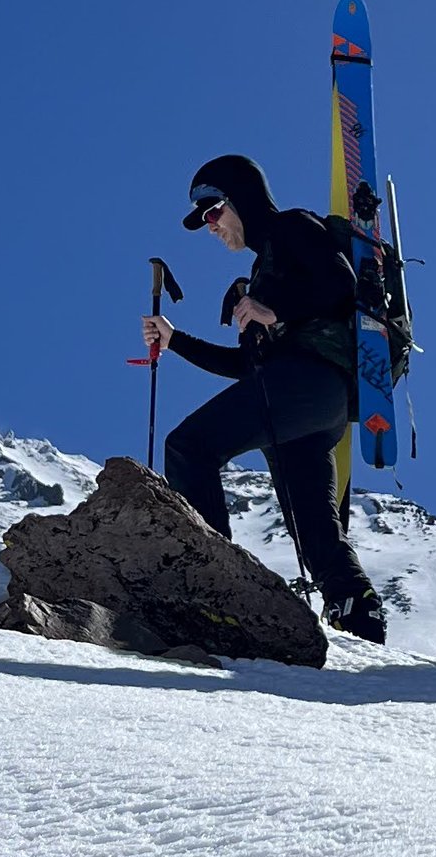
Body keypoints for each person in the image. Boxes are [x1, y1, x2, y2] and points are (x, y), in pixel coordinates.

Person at [146, 153, 387, 643]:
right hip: (313, 408)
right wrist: (175, 341)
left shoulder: (291, 227)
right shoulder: (259, 278)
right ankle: (361, 620)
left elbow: (340, 284)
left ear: (241, 200)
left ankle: (214, 592)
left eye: (213, 213)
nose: (210, 228)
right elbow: (243, 368)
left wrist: (273, 309)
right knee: (312, 527)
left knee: (188, 447)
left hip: (307, 383)